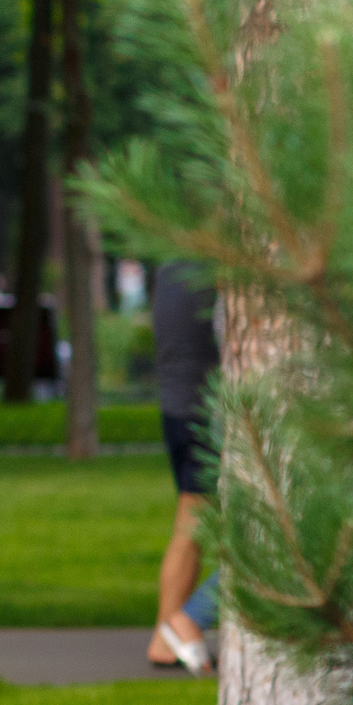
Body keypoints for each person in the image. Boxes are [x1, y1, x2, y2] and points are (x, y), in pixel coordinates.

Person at [147, 259, 221, 673]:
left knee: (190, 523)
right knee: (272, 536)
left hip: (176, 409)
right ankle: (189, 619)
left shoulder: (171, 264)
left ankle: (165, 637)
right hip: (207, 412)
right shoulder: (212, 263)